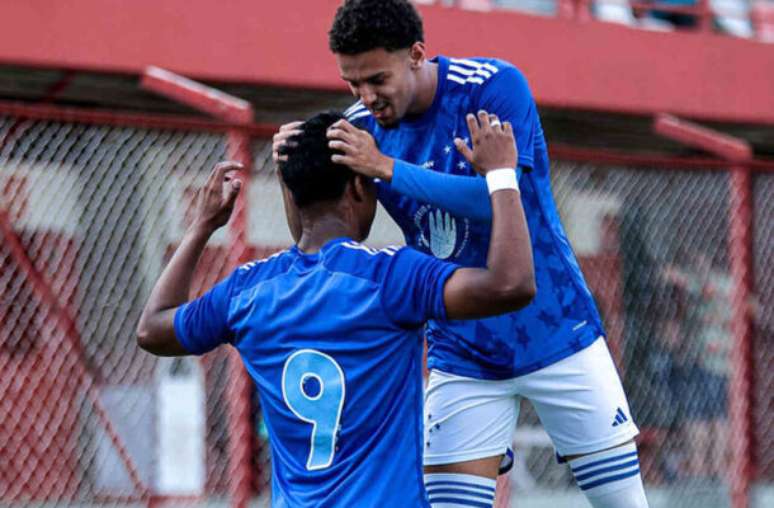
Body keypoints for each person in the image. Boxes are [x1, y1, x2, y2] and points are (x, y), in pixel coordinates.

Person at [273, 2, 648, 506]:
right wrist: (287, 175)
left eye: (377, 79)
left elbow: (500, 196)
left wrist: (387, 168)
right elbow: (339, 231)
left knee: (623, 504)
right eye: (352, 83)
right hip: (460, 349)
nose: (366, 96)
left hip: (556, 331)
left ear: (417, 54)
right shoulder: (360, 126)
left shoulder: (491, 86)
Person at [137, 110, 536, 507]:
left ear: (291, 195)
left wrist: (202, 226)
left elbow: (151, 330)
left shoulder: (247, 292)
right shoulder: (390, 277)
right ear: (359, 189)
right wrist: (501, 175)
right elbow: (511, 284)